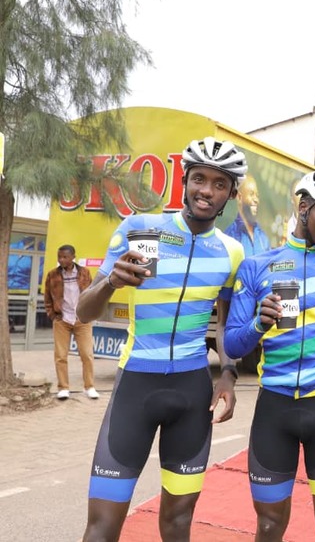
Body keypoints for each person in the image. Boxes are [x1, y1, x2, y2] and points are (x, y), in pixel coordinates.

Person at [76, 136, 246, 542]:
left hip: (192, 393)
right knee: (101, 527)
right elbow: (84, 311)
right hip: (136, 384)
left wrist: (229, 376)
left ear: (231, 195)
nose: (207, 191)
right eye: (200, 179)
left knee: (177, 525)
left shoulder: (232, 252)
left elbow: (223, 325)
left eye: (219, 184)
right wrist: (111, 283)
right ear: (185, 182)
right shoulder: (139, 228)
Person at [224, 170, 315, 542]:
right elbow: (233, 346)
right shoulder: (257, 267)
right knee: (270, 526)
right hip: (274, 410)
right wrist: (259, 324)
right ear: (304, 208)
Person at [43, 244, 98, 399]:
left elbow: (92, 294)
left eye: (65, 257)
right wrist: (53, 315)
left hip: (82, 319)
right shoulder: (52, 275)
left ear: (73, 257)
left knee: (87, 354)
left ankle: (89, 387)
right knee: (61, 355)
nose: (61, 260)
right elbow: (47, 296)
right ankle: (63, 388)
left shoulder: (84, 273)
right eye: (59, 257)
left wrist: (89, 313)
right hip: (62, 320)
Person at [224, 173, 271, 256]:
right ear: (239, 197)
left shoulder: (262, 237)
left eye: (257, 195)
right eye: (251, 194)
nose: (256, 200)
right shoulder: (230, 236)